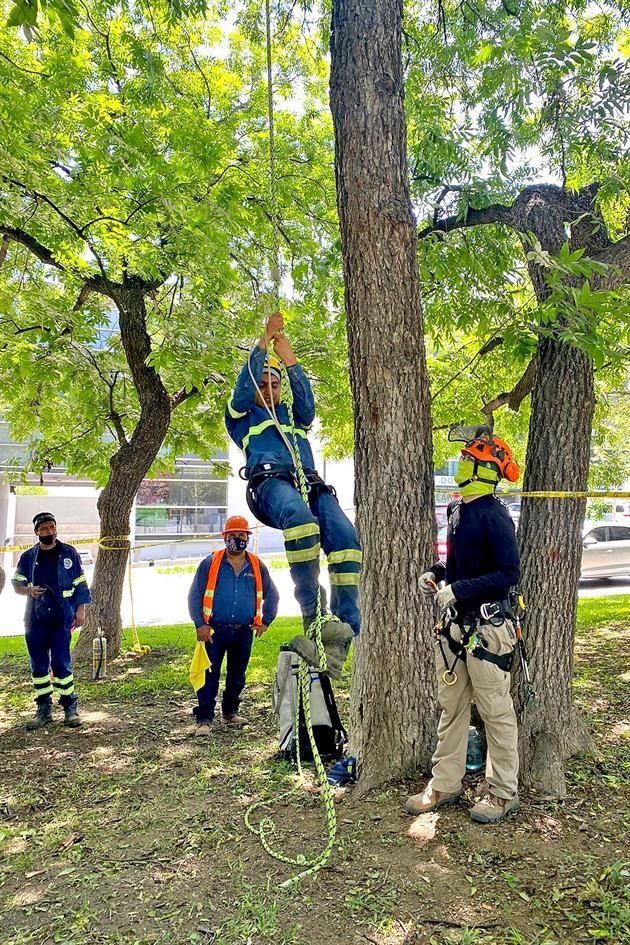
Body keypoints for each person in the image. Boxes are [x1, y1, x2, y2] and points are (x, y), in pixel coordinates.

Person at [225, 312, 360, 673]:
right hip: (271, 485)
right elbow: (241, 390)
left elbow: (307, 407)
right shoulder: (241, 417)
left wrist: (290, 361)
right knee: (302, 525)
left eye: (275, 384)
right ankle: (313, 617)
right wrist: (262, 344)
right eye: (263, 384)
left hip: (311, 484)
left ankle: (345, 629)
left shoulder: (293, 416)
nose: (270, 390)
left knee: (347, 540)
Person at [406, 426, 522, 824]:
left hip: (489, 629)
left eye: (470, 460)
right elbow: (456, 562)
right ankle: (445, 783)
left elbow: (508, 573)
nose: (462, 464)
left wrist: (458, 590)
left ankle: (503, 792)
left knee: (495, 711)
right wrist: (437, 574)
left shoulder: (494, 516)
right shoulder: (457, 510)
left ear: (485, 470)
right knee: (451, 709)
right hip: (456, 629)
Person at [187, 515, 279, 735]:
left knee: (237, 675)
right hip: (214, 631)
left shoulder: (256, 565)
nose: (237, 539)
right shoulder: (211, 563)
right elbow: (194, 595)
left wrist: (266, 621)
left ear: (247, 537)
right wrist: (199, 624)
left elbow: (272, 595)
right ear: (225, 537)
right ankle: (205, 719)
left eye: (241, 535)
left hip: (243, 632)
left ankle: (230, 712)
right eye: (233, 535)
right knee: (209, 675)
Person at [12, 512, 91, 730]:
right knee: (39, 666)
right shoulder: (28, 557)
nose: (49, 532)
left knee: (61, 664)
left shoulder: (69, 553)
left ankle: (69, 708)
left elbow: (80, 584)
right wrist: (28, 590)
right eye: (44, 529)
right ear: (36, 532)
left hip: (61, 619)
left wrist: (81, 611)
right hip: (34, 621)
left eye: (52, 527)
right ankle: (43, 710)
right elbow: (16, 584)